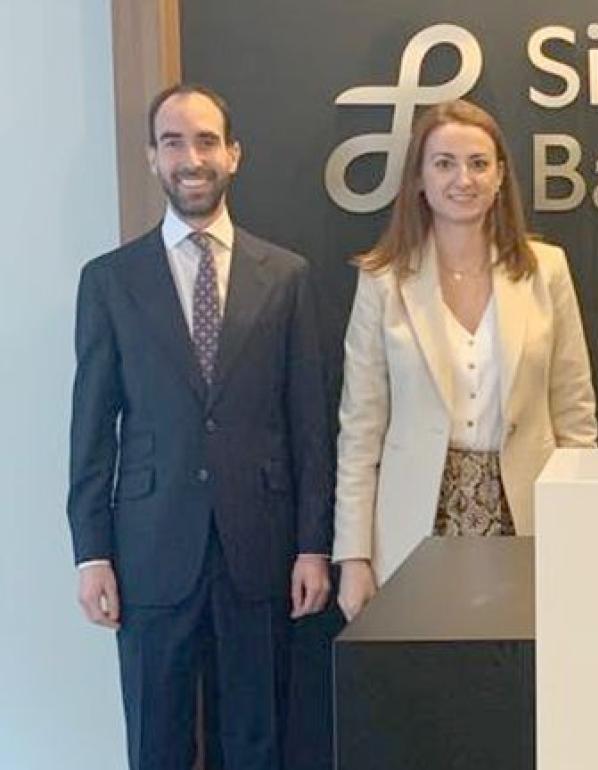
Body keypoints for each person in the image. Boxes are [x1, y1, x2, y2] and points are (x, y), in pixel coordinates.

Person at [68, 83, 333, 769]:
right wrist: (91, 553)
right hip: (150, 549)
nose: (192, 158)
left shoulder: (287, 276)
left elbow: (308, 423)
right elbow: (91, 429)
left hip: (261, 547)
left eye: (207, 141)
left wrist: (312, 545)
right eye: (173, 142)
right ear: (152, 158)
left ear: (233, 154)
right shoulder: (110, 280)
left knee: (256, 739)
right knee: (156, 740)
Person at [333, 99, 598, 619]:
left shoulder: (546, 271)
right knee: (428, 667)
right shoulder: (383, 281)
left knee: (521, 664)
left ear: (500, 176)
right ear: (419, 179)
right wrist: (354, 556)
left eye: (479, 163)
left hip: (526, 515)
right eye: (444, 163)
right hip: (415, 522)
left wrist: (577, 527)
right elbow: (360, 430)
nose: (464, 179)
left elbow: (575, 418)